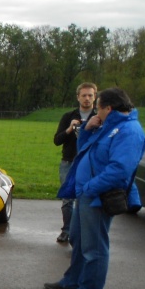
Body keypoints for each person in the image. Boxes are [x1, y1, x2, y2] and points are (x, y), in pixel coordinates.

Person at [44, 87, 145, 289]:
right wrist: (89, 130)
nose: (95, 112)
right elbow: (85, 151)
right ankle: (72, 280)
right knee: (78, 240)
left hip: (99, 196)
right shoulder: (108, 126)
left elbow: (119, 170)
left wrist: (90, 187)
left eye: (98, 107)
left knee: (94, 247)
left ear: (108, 108)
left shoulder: (129, 131)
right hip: (86, 193)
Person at [53, 82, 97, 243]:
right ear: (78, 97)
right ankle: (66, 230)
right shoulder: (68, 116)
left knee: (85, 198)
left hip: (89, 163)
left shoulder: (99, 117)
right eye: (84, 95)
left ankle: (82, 232)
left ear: (95, 97)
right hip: (69, 162)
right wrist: (69, 129)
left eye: (90, 95)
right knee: (67, 199)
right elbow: (57, 140)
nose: (87, 98)